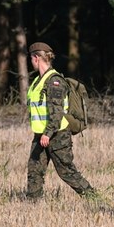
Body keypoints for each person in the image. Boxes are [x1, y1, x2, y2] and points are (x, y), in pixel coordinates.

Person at [25, 42, 96, 200]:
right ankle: (31, 203)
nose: (30, 62)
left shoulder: (54, 81)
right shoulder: (38, 81)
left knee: (67, 171)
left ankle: (93, 198)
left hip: (56, 134)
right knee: (34, 170)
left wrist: (48, 133)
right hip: (41, 134)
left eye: (31, 58)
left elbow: (56, 112)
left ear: (36, 58)